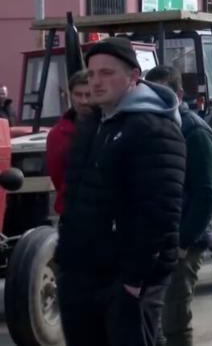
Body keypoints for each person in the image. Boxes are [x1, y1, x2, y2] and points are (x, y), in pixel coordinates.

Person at [55, 38, 186, 346]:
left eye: (107, 73)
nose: (96, 82)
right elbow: (76, 200)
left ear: (134, 76)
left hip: (126, 282)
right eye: (92, 74)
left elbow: (159, 214)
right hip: (82, 276)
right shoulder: (91, 125)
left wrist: (133, 281)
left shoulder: (154, 129)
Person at [145, 66, 212, 346]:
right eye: (149, 94)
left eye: (161, 94)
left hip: (183, 241)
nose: (154, 100)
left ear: (178, 94)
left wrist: (183, 242)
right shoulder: (151, 128)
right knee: (152, 319)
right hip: (155, 238)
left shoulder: (195, 132)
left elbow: (207, 194)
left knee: (174, 317)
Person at [46, 70, 92, 215]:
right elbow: (57, 175)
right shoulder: (57, 134)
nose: (83, 101)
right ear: (70, 95)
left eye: (88, 95)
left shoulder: (109, 126)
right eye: (78, 95)